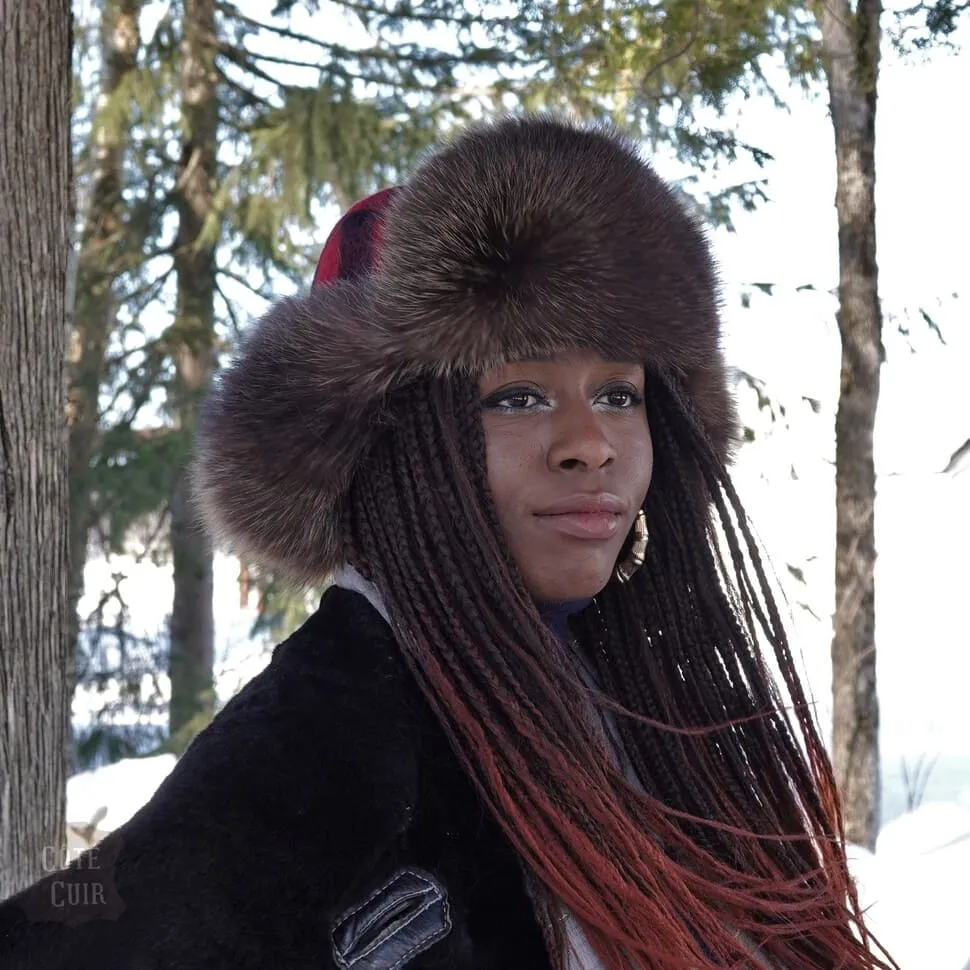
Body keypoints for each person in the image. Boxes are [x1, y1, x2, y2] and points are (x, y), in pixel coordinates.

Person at [0, 115, 895, 970]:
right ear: (393, 442)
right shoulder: (317, 749)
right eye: (517, 395)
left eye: (620, 392)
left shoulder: (644, 701)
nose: (592, 440)